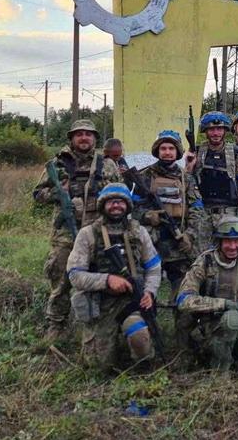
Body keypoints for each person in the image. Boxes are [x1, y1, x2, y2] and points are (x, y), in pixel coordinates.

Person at [34, 119, 120, 340]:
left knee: (100, 278)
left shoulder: (107, 164)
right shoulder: (57, 164)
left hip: (98, 231)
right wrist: (59, 194)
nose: (84, 138)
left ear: (94, 139)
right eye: (79, 134)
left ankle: (97, 325)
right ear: (71, 138)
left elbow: (120, 193)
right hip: (65, 234)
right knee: (60, 279)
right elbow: (38, 195)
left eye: (88, 134)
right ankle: (56, 325)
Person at [66, 183, 162, 372]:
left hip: (131, 301)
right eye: (111, 202)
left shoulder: (139, 232)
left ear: (127, 205)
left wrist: (149, 292)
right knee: (99, 366)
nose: (116, 206)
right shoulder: (88, 234)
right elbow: (75, 275)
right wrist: (107, 280)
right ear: (103, 205)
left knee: (140, 336)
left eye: (120, 202)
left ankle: (141, 364)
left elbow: (154, 268)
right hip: (100, 303)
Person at [175, 215, 238, 376]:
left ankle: (237, 358)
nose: (233, 246)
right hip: (206, 330)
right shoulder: (205, 262)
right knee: (231, 318)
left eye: (237, 241)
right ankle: (219, 372)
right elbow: (184, 300)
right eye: (228, 241)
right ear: (219, 242)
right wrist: (222, 304)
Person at [133, 130, 206, 299]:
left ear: (177, 151)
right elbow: (132, 208)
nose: (167, 152)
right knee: (144, 289)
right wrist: (147, 216)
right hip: (151, 242)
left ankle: (180, 320)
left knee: (181, 288)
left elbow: (197, 210)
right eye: (163, 148)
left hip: (178, 242)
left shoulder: (186, 178)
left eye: (171, 148)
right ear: (157, 151)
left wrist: (189, 236)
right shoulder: (144, 177)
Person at [194, 111, 238, 228]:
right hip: (203, 212)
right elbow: (189, 182)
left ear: (225, 130)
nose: (215, 133)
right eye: (211, 130)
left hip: (230, 212)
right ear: (205, 131)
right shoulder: (197, 152)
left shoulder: (235, 153)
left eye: (219, 129)